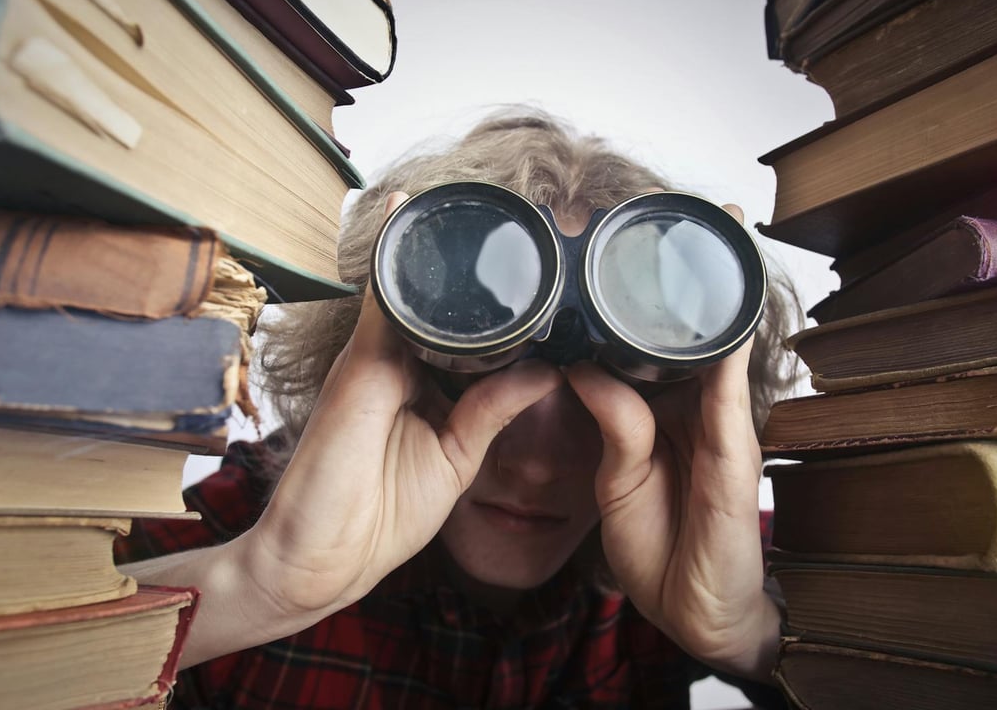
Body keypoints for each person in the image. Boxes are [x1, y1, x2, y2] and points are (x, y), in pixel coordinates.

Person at [116, 108, 802, 709]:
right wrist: (253, 587)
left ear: (688, 408)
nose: (534, 465)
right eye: (480, 369)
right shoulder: (232, 528)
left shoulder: (710, 542)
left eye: (594, 410)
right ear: (385, 362)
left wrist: (746, 634)